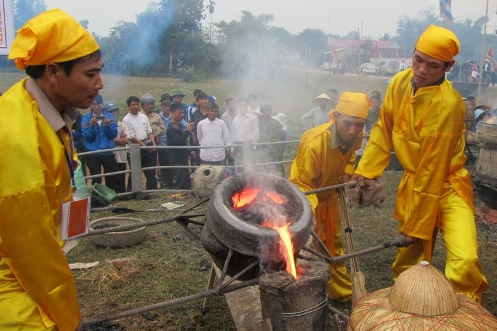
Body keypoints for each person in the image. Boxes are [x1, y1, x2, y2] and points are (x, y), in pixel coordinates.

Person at [351, 25, 488, 303]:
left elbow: (432, 170)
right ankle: (404, 304)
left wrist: (415, 227)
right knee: (407, 258)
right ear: (412, 54)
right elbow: (384, 126)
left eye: (433, 65)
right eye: (418, 60)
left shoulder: (449, 105)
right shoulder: (400, 82)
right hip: (416, 183)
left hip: (447, 185)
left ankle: (466, 314)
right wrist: (366, 168)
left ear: (448, 67)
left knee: (465, 259)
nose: (422, 70)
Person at [1, 9, 103, 330]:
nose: (100, 84)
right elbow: (31, 251)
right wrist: (69, 318)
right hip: (16, 291)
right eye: (90, 74)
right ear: (53, 71)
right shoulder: (18, 138)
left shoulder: (47, 109)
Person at [289, 92, 370, 302]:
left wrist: (347, 170)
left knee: (332, 242)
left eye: (359, 125)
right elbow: (301, 183)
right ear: (335, 117)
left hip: (331, 196)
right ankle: (298, 288)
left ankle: (340, 291)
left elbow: (351, 154)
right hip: (308, 199)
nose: (353, 131)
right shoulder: (315, 143)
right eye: (348, 123)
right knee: (304, 245)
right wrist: (308, 211)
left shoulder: (357, 136)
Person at [81, 94, 124, 193]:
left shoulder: (109, 116)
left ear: (102, 104)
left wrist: (108, 126)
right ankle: (98, 199)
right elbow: (87, 138)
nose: (96, 106)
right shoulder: (86, 119)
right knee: (96, 179)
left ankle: (122, 196)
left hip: (108, 152)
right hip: (93, 153)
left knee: (115, 177)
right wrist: (91, 126)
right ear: (90, 105)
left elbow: (113, 135)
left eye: (98, 104)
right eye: (93, 104)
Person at [123, 96, 158, 191]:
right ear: (129, 106)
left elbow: (149, 132)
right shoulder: (126, 119)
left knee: (150, 171)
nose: (135, 106)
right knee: (135, 172)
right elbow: (133, 137)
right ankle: (133, 192)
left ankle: (152, 191)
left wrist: (153, 144)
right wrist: (145, 147)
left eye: (137, 104)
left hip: (146, 144)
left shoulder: (143, 117)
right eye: (133, 105)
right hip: (134, 148)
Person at [167, 103, 196, 189]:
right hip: (176, 158)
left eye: (183, 113)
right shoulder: (172, 127)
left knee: (185, 180)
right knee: (181, 180)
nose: (182, 115)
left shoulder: (178, 125)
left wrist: (189, 151)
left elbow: (183, 142)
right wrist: (187, 131)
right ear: (172, 113)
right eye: (179, 113)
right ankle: (178, 198)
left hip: (182, 157)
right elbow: (177, 141)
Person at [104, 101, 129, 192]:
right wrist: (119, 141)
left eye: (115, 111)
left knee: (121, 177)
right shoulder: (104, 127)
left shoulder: (122, 125)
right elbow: (105, 141)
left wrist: (112, 141)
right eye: (110, 111)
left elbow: (126, 140)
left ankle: (122, 195)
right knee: (109, 179)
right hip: (109, 157)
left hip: (121, 156)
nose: (113, 113)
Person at [231, 96, 260, 172]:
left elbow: (256, 133)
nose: (242, 107)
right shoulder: (235, 119)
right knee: (240, 165)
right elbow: (233, 134)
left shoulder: (253, 118)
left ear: (247, 105)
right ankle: (242, 182)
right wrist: (232, 147)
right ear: (238, 106)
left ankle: (251, 181)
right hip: (238, 144)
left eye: (244, 104)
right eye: (241, 105)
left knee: (249, 164)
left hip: (249, 143)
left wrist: (254, 146)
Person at [257, 104, 283, 175]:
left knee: (279, 166)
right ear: (262, 112)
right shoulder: (259, 123)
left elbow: (280, 131)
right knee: (265, 167)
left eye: (269, 110)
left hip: (275, 148)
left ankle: (282, 180)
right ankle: (266, 182)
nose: (268, 112)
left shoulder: (276, 122)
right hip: (264, 148)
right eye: (265, 111)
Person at [190, 91, 210, 166]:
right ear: (198, 101)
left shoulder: (212, 113)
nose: (204, 101)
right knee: (200, 163)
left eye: (205, 99)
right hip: (199, 143)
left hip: (211, 141)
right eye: (202, 99)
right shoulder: (194, 114)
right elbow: (192, 129)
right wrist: (194, 141)